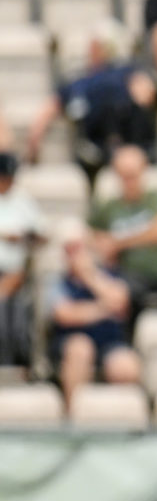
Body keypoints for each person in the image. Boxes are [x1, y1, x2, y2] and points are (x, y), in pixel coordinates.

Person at [25, 19, 157, 181]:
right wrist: (34, 140)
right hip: (97, 144)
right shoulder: (78, 82)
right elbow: (50, 107)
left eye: (99, 45)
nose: (94, 49)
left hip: (130, 135)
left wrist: (138, 88)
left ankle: (126, 156)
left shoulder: (127, 71)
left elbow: (146, 95)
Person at [87, 144, 157, 326]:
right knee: (120, 301)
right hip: (132, 274)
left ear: (143, 171)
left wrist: (117, 242)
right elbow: (91, 236)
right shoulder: (109, 207)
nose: (129, 182)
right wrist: (106, 245)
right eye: (124, 176)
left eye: (132, 175)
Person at [47, 218, 142, 410]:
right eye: (70, 249)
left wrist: (89, 276)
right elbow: (65, 314)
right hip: (71, 342)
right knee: (80, 349)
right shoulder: (58, 283)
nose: (75, 255)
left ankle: (123, 420)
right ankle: (74, 415)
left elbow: (120, 302)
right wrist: (104, 308)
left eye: (79, 248)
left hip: (110, 343)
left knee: (126, 366)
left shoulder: (110, 275)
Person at [0, 152, 47, 367]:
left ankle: (15, 361)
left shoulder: (22, 199)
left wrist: (21, 237)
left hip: (15, 272)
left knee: (15, 314)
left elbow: (42, 235)